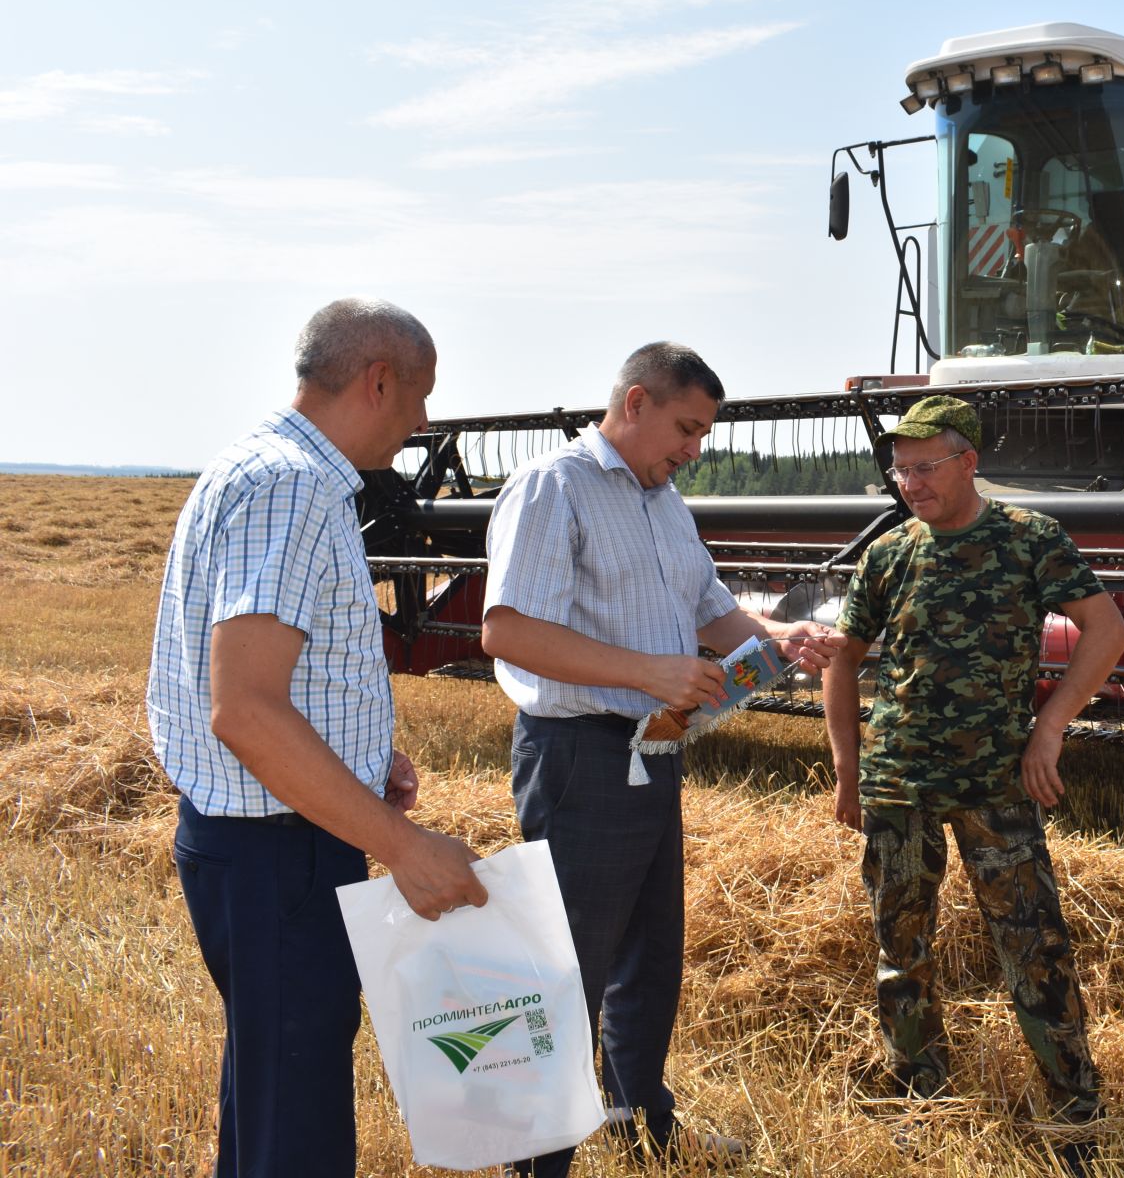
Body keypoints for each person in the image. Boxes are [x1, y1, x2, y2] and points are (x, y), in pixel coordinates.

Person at [479, 342, 841, 1177]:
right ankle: (537, 1162)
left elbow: (710, 610)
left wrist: (781, 640)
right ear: (634, 403)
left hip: (653, 751)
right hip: (579, 756)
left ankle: (641, 1123)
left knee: (649, 955)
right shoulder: (554, 486)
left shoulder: (664, 499)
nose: (694, 449)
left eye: (704, 434)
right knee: (569, 967)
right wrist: (649, 671)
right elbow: (509, 631)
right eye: (686, 428)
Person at [147, 298, 490, 1178]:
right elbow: (247, 710)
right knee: (295, 1128)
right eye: (419, 399)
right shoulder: (293, 488)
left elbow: (270, 687)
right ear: (378, 380)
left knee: (271, 1101)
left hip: (267, 838)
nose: (421, 422)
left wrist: (365, 762)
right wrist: (403, 847)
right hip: (278, 856)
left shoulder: (262, 467)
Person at [822, 395, 1124, 1140]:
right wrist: (847, 767)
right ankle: (921, 1090)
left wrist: (1048, 730)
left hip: (998, 783)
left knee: (1034, 942)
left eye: (924, 467)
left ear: (970, 462)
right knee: (902, 947)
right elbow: (841, 661)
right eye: (899, 470)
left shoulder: (1029, 539)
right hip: (899, 785)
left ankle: (1073, 1105)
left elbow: (1107, 631)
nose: (909, 484)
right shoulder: (889, 554)